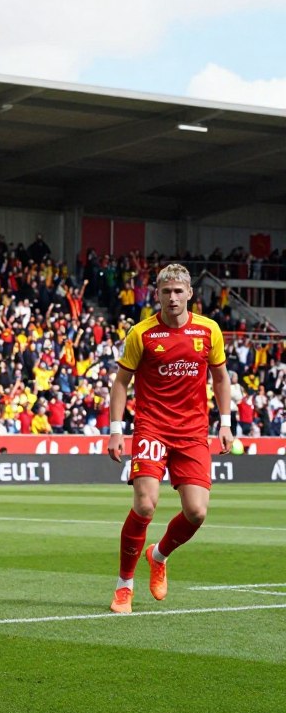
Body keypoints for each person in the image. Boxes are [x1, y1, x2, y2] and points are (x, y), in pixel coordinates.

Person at [107, 263, 232, 614]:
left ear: (190, 293)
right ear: (157, 295)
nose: (173, 298)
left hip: (193, 432)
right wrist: (116, 430)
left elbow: (221, 378)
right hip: (152, 427)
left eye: (179, 291)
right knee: (145, 504)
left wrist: (224, 423)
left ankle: (158, 555)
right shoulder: (142, 334)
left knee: (196, 512)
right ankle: (124, 587)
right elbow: (121, 383)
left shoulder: (209, 331)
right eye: (166, 292)